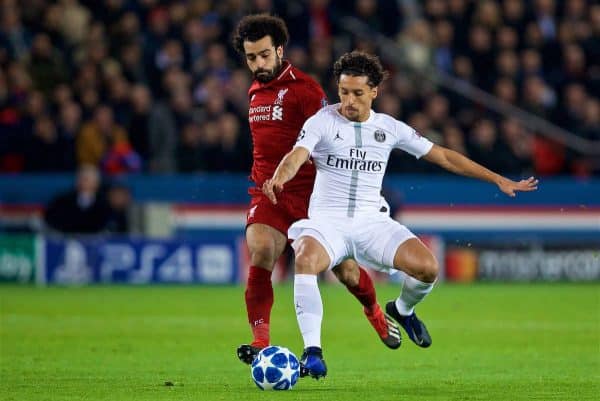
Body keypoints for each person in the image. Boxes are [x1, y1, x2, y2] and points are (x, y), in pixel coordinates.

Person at [263, 51, 539, 378]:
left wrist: (496, 178)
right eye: (343, 92)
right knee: (306, 260)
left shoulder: (389, 128)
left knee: (427, 269)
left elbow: (445, 157)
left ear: (374, 92)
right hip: (327, 224)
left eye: (357, 93)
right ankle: (312, 353)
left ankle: (403, 310)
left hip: (372, 224)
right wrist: (280, 177)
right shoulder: (321, 122)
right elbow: (297, 156)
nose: (348, 100)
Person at [231, 15, 401, 366]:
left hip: (315, 196)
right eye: (251, 58)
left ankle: (374, 312)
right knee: (261, 250)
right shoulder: (253, 91)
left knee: (348, 273)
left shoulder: (306, 91)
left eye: (264, 55)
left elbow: (333, 134)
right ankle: (260, 342)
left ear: (279, 50)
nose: (258, 64)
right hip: (270, 193)